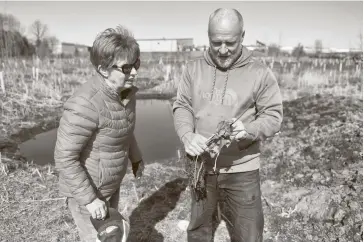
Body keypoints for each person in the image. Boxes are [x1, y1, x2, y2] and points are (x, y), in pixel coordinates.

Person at [172, 8, 283, 242]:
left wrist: (249, 130)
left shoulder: (259, 72)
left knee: (248, 235)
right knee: (199, 230)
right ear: (208, 37)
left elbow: (273, 116)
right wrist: (186, 135)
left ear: (242, 36)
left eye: (230, 43)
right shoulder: (193, 69)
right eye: (216, 42)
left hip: (242, 169)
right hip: (201, 167)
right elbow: (182, 105)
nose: (223, 50)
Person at [54, 25, 145, 242]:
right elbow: (65, 158)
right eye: (126, 68)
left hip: (109, 184)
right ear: (104, 69)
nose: (134, 72)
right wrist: (89, 199)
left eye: (137, 64)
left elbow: (123, 129)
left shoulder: (125, 93)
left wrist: (136, 157)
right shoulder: (85, 103)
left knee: (114, 235)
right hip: (87, 191)